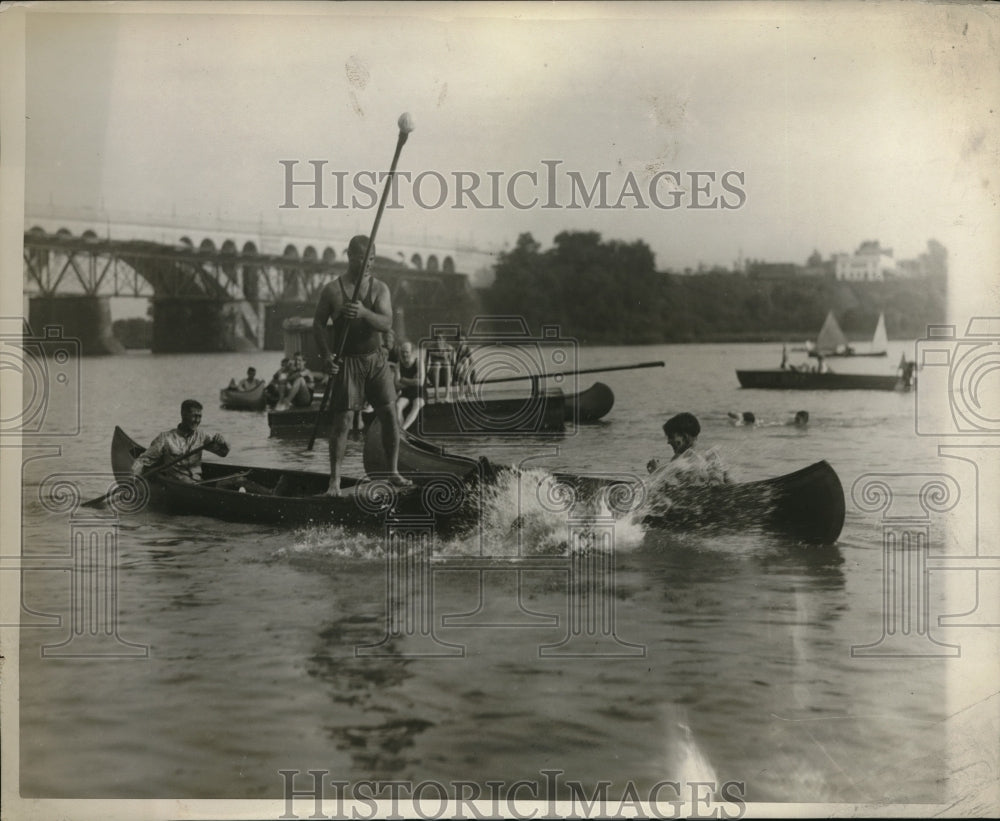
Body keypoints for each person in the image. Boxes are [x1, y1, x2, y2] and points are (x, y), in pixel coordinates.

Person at [312, 234, 411, 496]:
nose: (368, 264)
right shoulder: (333, 290)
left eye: (372, 259)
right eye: (363, 258)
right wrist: (326, 355)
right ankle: (334, 481)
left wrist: (364, 313)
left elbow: (387, 323)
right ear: (350, 256)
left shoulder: (380, 289)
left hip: (375, 360)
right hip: (348, 361)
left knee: (389, 415)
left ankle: (392, 473)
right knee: (343, 421)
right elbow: (318, 324)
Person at [132, 399, 230, 483]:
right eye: (194, 416)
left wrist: (223, 443)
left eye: (200, 416)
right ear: (183, 414)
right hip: (177, 486)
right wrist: (133, 478)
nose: (197, 420)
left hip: (199, 483)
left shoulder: (202, 436)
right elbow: (143, 461)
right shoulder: (165, 438)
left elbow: (223, 453)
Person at [646, 412, 731, 487]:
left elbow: (667, 486)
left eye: (671, 437)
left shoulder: (682, 459)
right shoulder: (712, 455)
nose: (668, 441)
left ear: (684, 436)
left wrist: (656, 471)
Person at [395, 340, 426, 431]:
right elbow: (396, 385)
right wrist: (413, 381)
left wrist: (403, 380)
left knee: (417, 404)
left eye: (407, 352)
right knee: (397, 406)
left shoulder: (418, 362)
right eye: (402, 352)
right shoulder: (398, 365)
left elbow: (421, 383)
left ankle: (402, 429)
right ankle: (401, 430)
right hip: (406, 393)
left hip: (418, 392)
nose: (404, 355)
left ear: (412, 352)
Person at [425, 332, 455, 402]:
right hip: (433, 375)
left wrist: (453, 378)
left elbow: (453, 364)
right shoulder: (430, 348)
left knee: (447, 364)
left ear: (444, 339)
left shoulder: (449, 348)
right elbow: (426, 363)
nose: (438, 341)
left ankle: (447, 395)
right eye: (437, 338)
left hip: (445, 377)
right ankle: (436, 395)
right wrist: (425, 378)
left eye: (440, 338)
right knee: (437, 364)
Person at [452, 329, 475, 399]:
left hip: (467, 369)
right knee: (464, 377)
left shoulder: (467, 349)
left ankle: (462, 393)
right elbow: (455, 361)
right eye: (459, 340)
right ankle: (469, 391)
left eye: (462, 340)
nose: (460, 342)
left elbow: (471, 361)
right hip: (459, 370)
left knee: (466, 361)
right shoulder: (456, 349)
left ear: (465, 341)